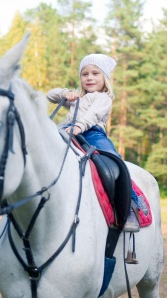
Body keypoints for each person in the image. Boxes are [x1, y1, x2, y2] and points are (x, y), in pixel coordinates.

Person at [46, 53, 140, 232]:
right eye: (85, 74)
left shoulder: (103, 97)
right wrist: (66, 93)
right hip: (67, 133)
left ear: (105, 77)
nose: (89, 77)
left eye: (95, 73)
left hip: (93, 135)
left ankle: (130, 207)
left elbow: (93, 115)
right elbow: (50, 96)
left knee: (115, 163)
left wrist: (79, 126)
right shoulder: (77, 99)